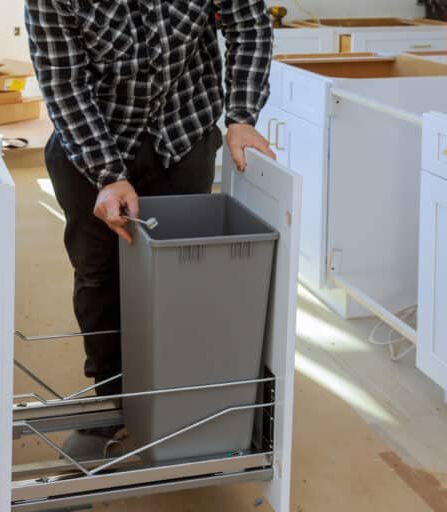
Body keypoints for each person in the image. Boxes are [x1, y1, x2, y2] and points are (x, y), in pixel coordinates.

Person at [25, 0, 275, 455]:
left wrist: (241, 116)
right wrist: (107, 173)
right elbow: (64, 83)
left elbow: (248, 23)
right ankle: (111, 402)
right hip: (93, 138)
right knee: (100, 273)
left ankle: (179, 399)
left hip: (182, 132)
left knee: (182, 274)